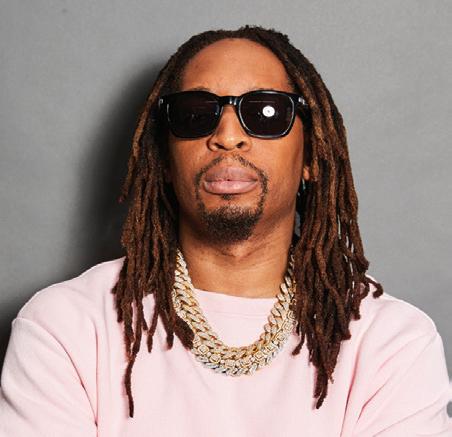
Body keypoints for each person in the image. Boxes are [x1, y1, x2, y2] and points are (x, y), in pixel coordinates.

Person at [0, 25, 451, 437]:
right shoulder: (65, 328)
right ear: (165, 159)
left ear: (312, 158)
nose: (228, 136)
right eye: (196, 114)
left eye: (267, 112)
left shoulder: (393, 342)